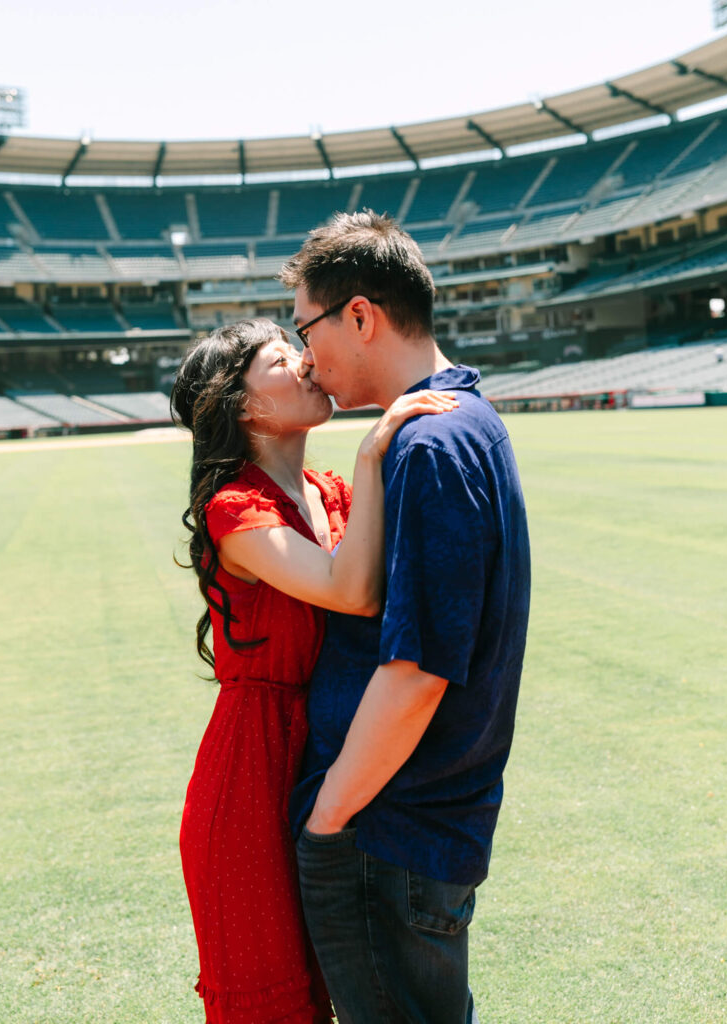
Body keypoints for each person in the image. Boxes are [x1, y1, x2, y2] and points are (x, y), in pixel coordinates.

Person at [281, 211, 531, 1024]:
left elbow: (418, 673)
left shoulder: (430, 444)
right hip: (418, 828)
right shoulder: (461, 421)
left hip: (391, 833)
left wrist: (327, 819)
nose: (304, 357)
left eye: (305, 328)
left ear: (360, 315)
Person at [170, 318, 457, 1024]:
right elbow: (351, 591)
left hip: (332, 752)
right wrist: (371, 456)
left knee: (362, 983)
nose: (303, 361)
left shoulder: (329, 496)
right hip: (253, 771)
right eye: (278, 357)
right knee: (279, 1001)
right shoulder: (236, 509)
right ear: (241, 405)